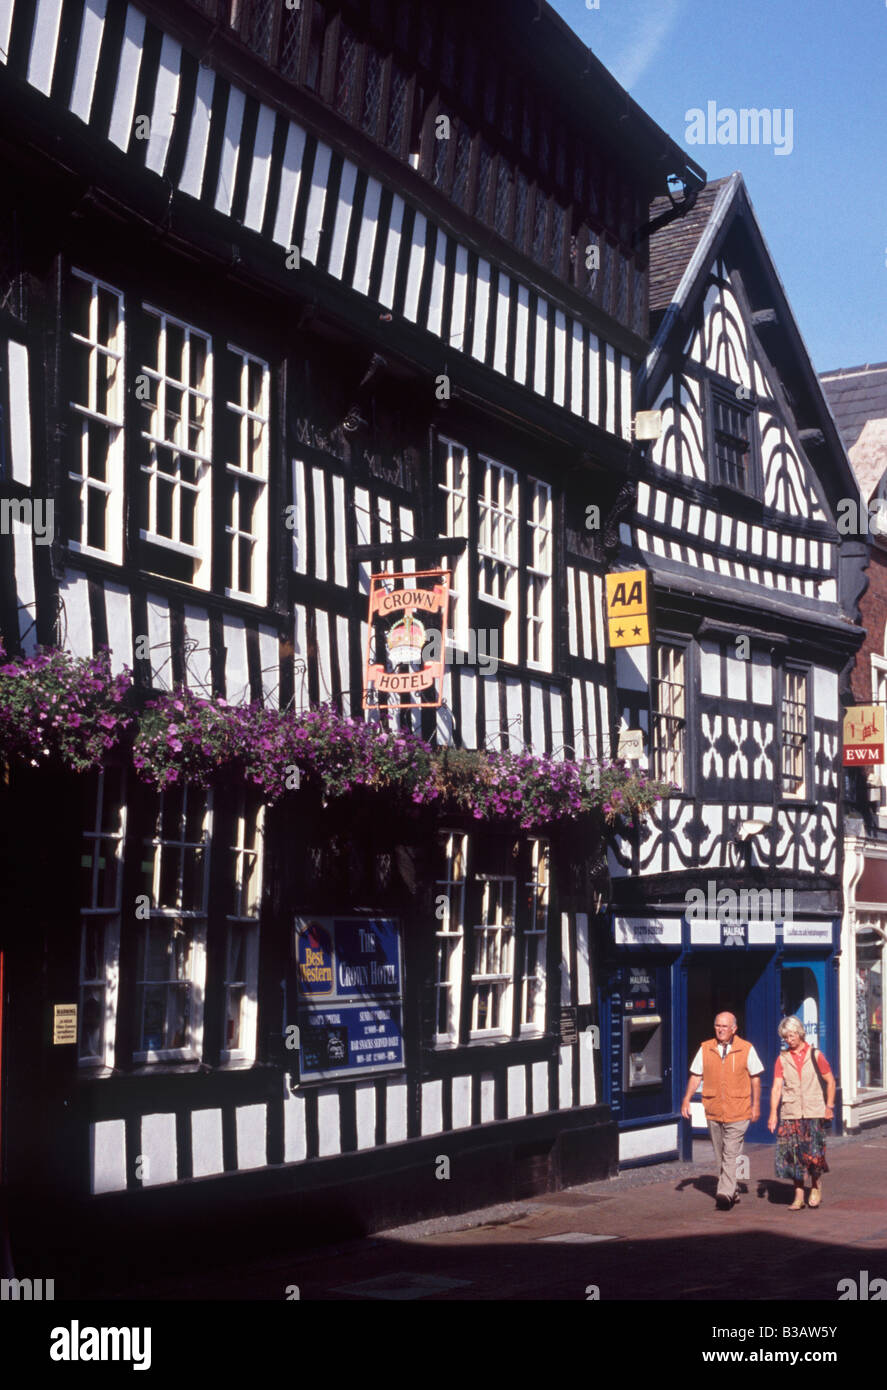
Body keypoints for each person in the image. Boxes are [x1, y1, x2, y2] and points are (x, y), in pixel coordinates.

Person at [681, 1012, 763, 1210]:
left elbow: (755, 1078)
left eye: (725, 1026)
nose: (720, 1029)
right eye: (717, 1025)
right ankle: (732, 1189)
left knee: (731, 1152)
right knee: (720, 1154)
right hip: (714, 1109)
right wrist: (686, 1099)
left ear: (734, 1029)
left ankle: (724, 1194)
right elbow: (695, 1076)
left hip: (739, 1109)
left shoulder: (746, 1049)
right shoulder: (705, 1048)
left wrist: (756, 1105)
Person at [767, 1016, 835, 1209]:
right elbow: (776, 1088)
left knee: (814, 1154)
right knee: (793, 1155)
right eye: (786, 1037)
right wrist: (773, 1113)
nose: (789, 1040)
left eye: (792, 1035)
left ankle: (815, 1185)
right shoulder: (782, 1059)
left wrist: (829, 1107)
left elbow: (830, 1081)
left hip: (814, 1111)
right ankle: (798, 1195)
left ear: (799, 1033)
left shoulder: (815, 1055)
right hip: (791, 1112)